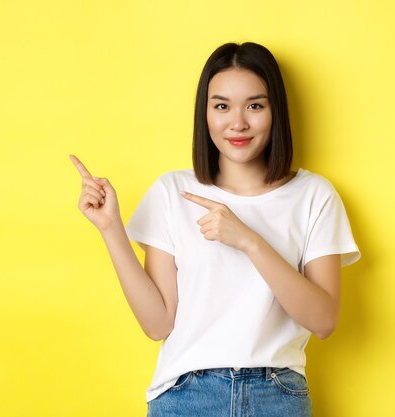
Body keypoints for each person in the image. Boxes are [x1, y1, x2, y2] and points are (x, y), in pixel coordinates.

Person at [70, 42, 360, 417]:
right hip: (187, 396)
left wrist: (250, 242)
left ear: (276, 112)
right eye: (221, 106)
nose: (237, 123)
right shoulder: (173, 192)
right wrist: (111, 229)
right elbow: (158, 324)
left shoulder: (313, 195)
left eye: (255, 105)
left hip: (277, 396)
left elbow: (323, 321)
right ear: (204, 114)